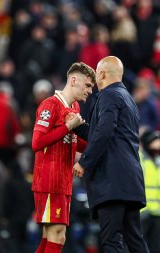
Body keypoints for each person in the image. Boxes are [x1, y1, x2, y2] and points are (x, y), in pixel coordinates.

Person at [73, 56, 150, 253]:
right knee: (135, 240)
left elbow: (105, 131)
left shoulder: (108, 95)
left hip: (112, 179)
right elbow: (106, 132)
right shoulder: (128, 99)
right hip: (130, 179)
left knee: (111, 241)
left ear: (101, 74)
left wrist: (85, 162)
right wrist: (77, 126)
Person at [32, 62, 95, 253]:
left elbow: (75, 143)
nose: (90, 91)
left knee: (51, 236)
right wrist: (67, 127)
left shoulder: (74, 107)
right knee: (57, 235)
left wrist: (99, 144)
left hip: (63, 181)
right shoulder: (50, 105)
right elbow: (37, 143)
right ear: (74, 80)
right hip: (49, 180)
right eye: (88, 85)